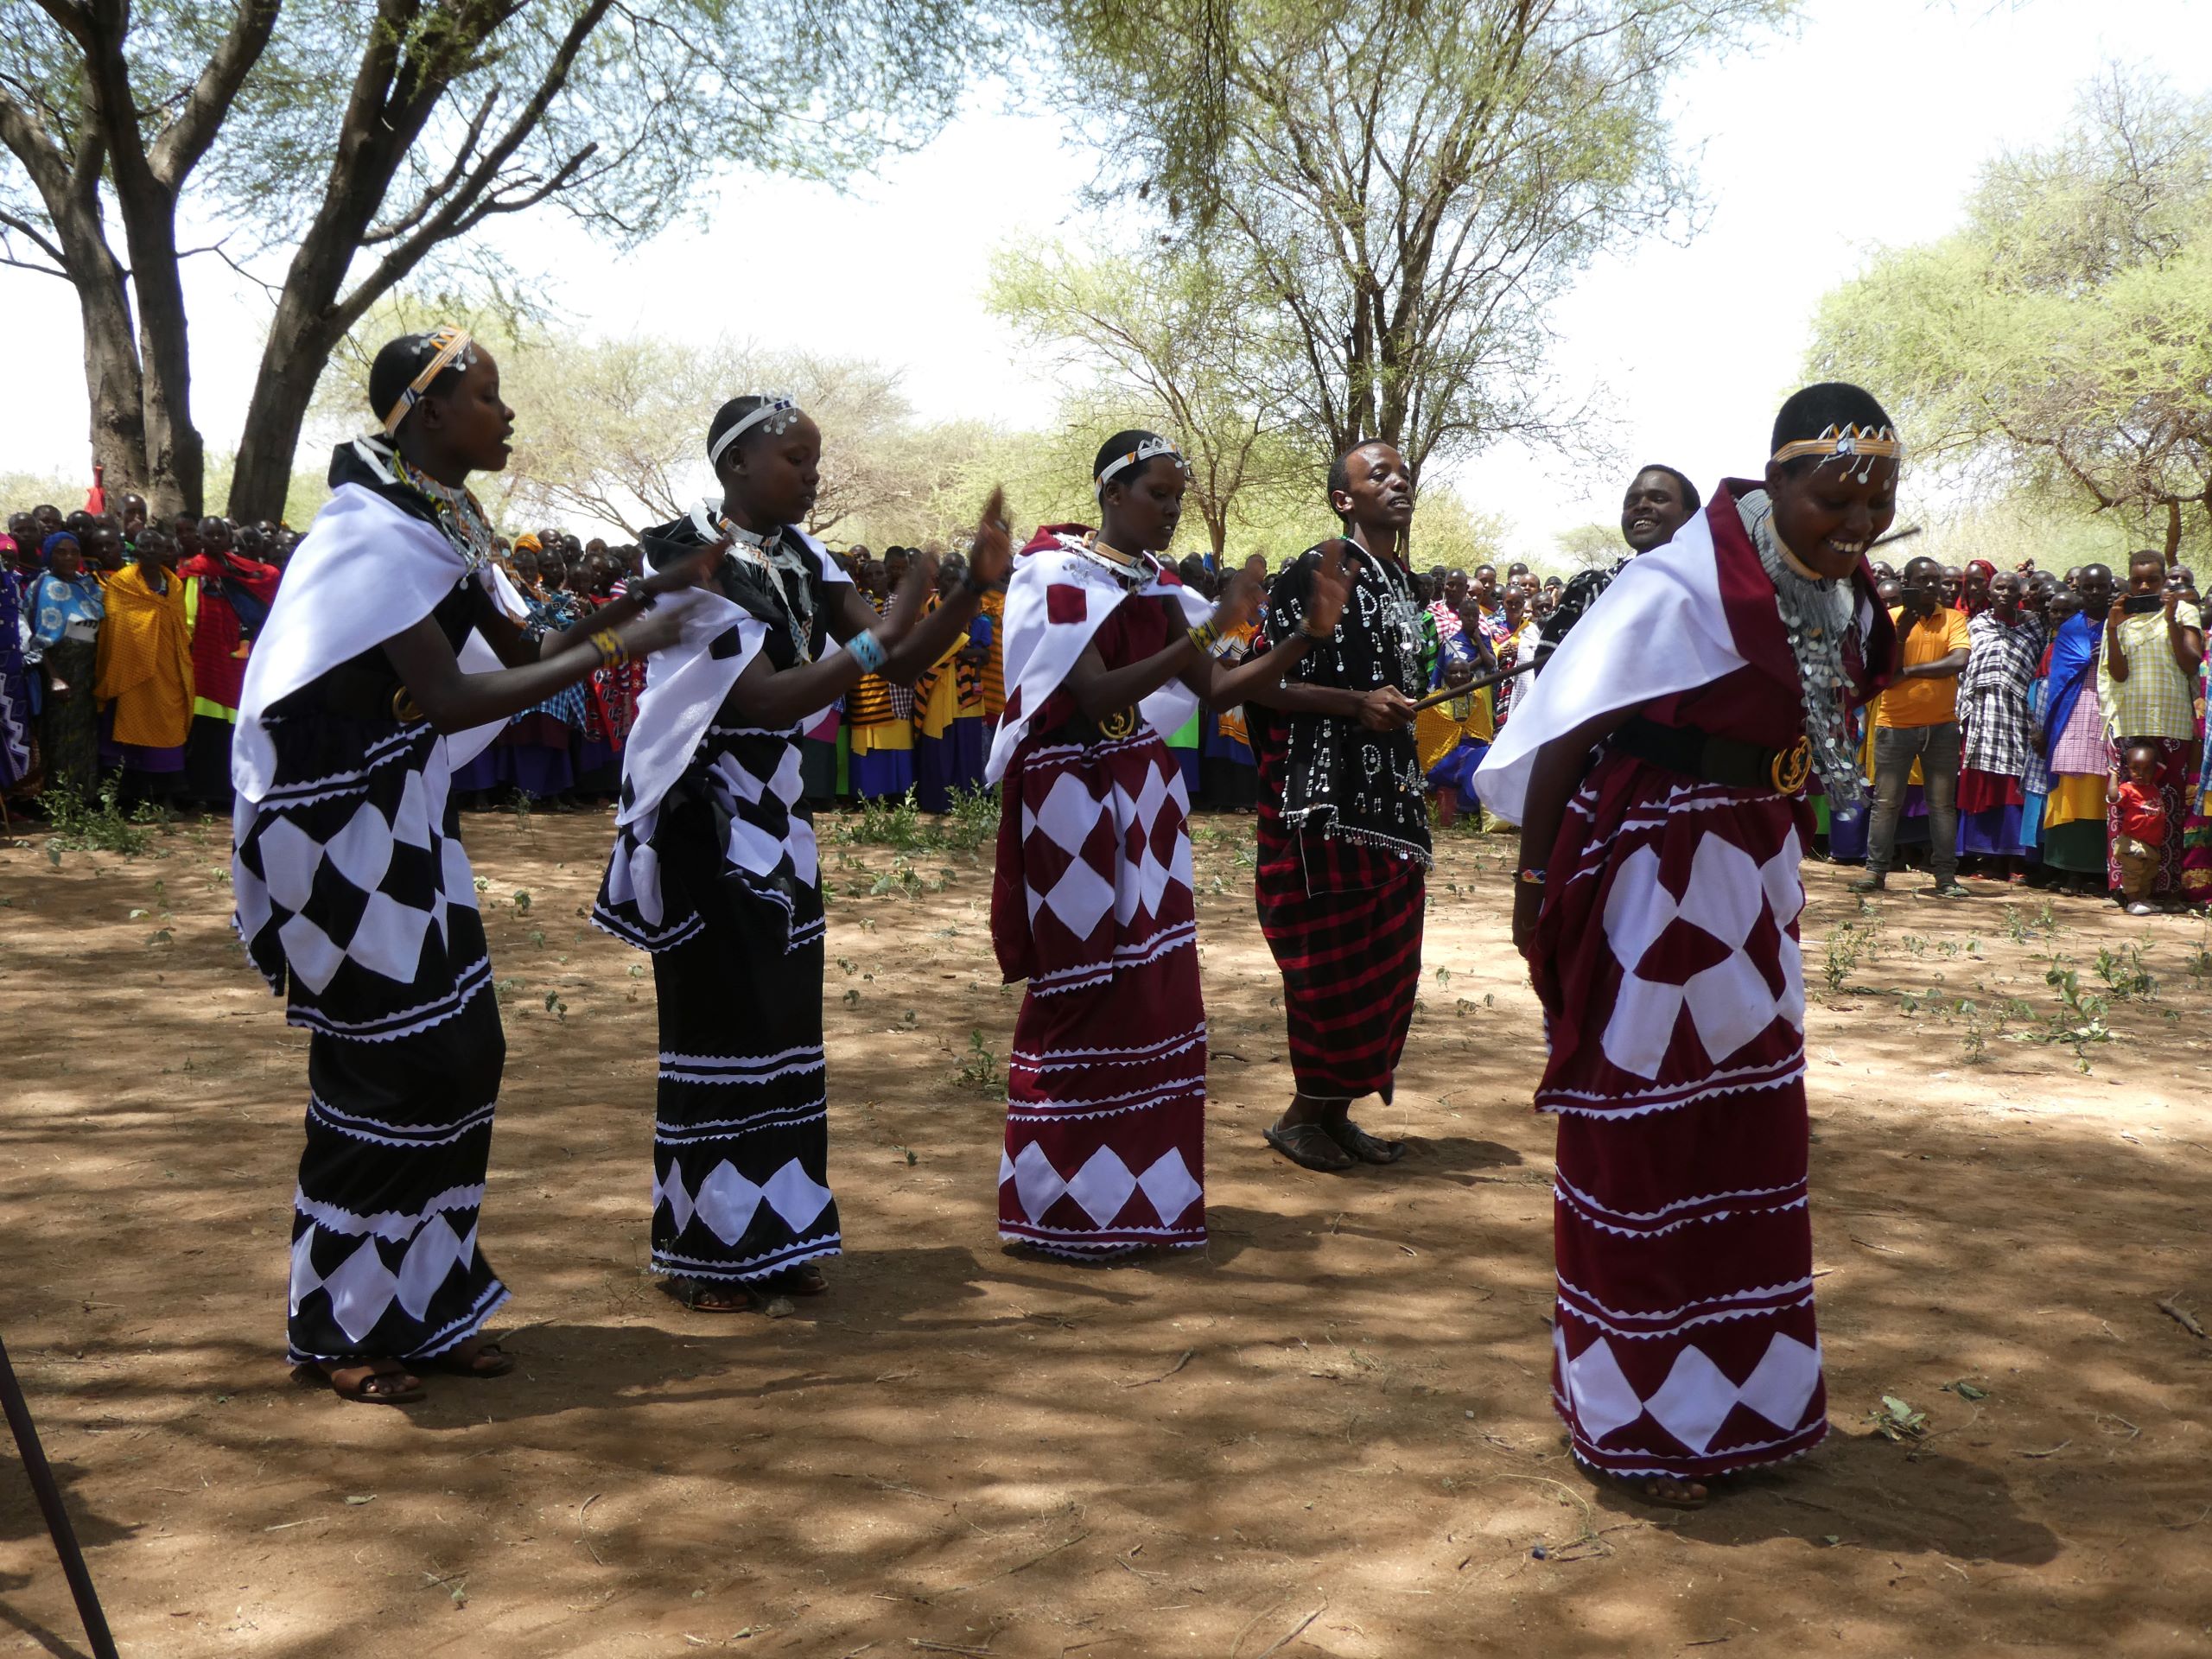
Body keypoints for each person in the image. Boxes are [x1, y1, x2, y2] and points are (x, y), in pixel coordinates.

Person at [231, 327, 692, 1404]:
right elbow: (451, 698)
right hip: (329, 828)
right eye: (488, 395)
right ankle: (339, 1324)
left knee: (462, 1055)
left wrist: (641, 603)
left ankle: (428, 1306)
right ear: (428, 413)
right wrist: (627, 644)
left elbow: (528, 651)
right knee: (386, 1063)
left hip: (402, 810)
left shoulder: (443, 522)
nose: (508, 412)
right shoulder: (373, 533)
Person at [1475, 382, 1898, 1504]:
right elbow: (1570, 720)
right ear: (1781, 477)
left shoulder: (1840, 597)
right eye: (1835, 495)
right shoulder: (1684, 583)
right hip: (1653, 873)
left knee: (1748, 1126)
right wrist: (1531, 878)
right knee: (1645, 1127)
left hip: (1754, 873)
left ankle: (1745, 1408)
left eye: (1881, 496)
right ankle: (1636, 1422)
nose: (1858, 518)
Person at [594, 395, 1009, 1309]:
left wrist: (974, 592)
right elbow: (769, 701)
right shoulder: (683, 555)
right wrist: (878, 632)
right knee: (719, 1030)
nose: (812, 476)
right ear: (735, 464)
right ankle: (707, 1253)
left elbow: (895, 662)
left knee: (781, 1026)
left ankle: (775, 1240)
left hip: (775, 813)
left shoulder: (800, 556)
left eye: (815, 460)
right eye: (796, 458)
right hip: (704, 817)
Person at [986, 429, 1349, 1252]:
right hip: (1070, 795)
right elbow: (1088, 691)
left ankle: (1142, 1202)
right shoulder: (1056, 574)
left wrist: (1298, 639)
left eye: (1177, 497)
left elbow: (1216, 686)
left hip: (1145, 793)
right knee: (1082, 983)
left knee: (1152, 985)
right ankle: (1059, 1207)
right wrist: (1208, 626)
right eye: (1158, 494)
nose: (1171, 511)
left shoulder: (1153, 586)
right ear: (1112, 493)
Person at [1248, 440, 1427, 1173]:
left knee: (1386, 968)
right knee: (1329, 968)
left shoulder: (1410, 588)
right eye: (1376, 473)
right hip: (1322, 803)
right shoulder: (1315, 571)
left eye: (1402, 471)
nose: (1397, 480)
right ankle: (1300, 1118)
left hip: (1395, 808)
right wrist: (1357, 704)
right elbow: (1259, 683)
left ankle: (1335, 1115)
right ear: (1342, 500)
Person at [1853, 556, 1968, 898]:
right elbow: (1885, 673)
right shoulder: (1890, 619)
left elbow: (1959, 661)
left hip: (1942, 726)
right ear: (1909, 584)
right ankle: (1875, 873)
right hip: (1895, 725)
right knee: (1886, 803)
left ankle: (1946, 877)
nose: (1930, 586)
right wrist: (1901, 636)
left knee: (1942, 805)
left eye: (1935, 579)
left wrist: (1913, 671)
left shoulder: (1953, 618)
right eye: (1923, 580)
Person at [2098, 548, 2202, 903]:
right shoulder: (2120, 617)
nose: (2143, 586)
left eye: (2152, 580)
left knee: (2167, 809)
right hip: (2129, 723)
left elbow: (2190, 664)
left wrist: (2171, 617)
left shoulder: (2185, 610)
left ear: (2164, 581)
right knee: (2124, 810)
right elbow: (2118, 673)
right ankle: (2126, 888)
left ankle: (2165, 887)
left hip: (2172, 724)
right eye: (2137, 579)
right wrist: (2112, 628)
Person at [179, 516, 282, 810]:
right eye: (207, 535)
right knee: (205, 728)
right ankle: (201, 792)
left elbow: (270, 577)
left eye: (219, 535)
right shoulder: (192, 571)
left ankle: (232, 792)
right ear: (199, 539)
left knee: (235, 727)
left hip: (238, 660)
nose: (214, 540)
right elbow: (187, 617)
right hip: (204, 660)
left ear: (228, 538)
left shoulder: (242, 571)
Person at [94, 521, 194, 804]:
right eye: (145, 545)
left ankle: (166, 798)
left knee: (168, 726)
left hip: (167, 668)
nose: (150, 550)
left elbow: (179, 626)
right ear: (135, 549)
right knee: (127, 727)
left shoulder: (173, 584)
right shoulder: (122, 582)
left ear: (166, 551)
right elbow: (116, 626)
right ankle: (128, 799)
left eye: (156, 546)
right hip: (130, 668)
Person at [1957, 569, 2045, 880]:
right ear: (1989, 593)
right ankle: (1988, 858)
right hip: (1983, 715)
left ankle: (2016, 861)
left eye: (2011, 588)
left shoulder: (2035, 625)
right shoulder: (1977, 625)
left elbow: (2037, 665)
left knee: (2015, 784)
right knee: (1985, 785)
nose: (2005, 593)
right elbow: (1967, 670)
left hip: (2020, 715)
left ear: (2020, 593)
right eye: (1999, 588)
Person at [2038, 566, 2115, 894]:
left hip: (2109, 713)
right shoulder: (2069, 629)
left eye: (2101, 587)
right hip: (2070, 712)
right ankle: (2067, 868)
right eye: (2089, 587)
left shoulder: (2120, 626)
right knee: (2069, 785)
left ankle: (2099, 871)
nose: (2095, 592)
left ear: (2110, 588)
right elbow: (2059, 679)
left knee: (2103, 789)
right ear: (2080, 589)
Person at [27, 532, 105, 798]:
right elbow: (38, 640)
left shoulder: (87, 585)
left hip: (88, 671)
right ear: (50, 555)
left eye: (73, 551)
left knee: (86, 733)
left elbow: (93, 628)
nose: (69, 557)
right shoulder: (43, 586)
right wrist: (54, 677)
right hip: (60, 670)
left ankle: (86, 796)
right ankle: (61, 798)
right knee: (61, 735)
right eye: (61, 551)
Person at [2113, 743, 2169, 916]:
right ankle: (2132, 902)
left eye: (2147, 769)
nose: (2140, 774)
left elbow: (2161, 766)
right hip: (2133, 841)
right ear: (2128, 768)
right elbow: (2113, 797)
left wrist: (2150, 744)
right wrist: (2113, 776)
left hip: (2152, 842)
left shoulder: (2152, 785)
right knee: (2133, 873)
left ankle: (2143, 900)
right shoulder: (2128, 789)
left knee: (2148, 874)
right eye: (2135, 768)